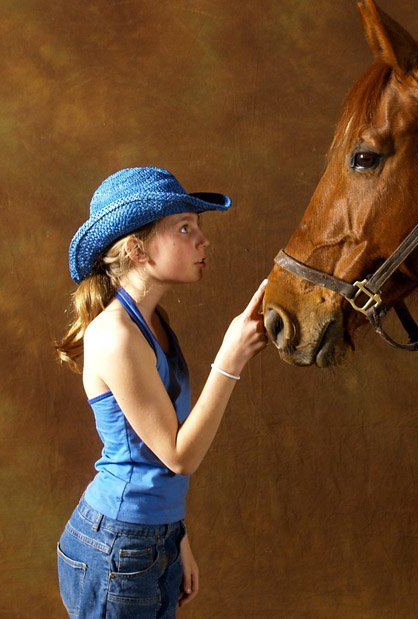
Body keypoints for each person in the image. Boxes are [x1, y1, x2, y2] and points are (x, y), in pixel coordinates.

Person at [54, 166, 268, 617]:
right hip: (117, 547)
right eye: (185, 228)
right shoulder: (115, 334)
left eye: (198, 227)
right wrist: (230, 360)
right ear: (137, 250)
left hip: (153, 537)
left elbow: (151, 455)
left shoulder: (152, 321)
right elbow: (176, 455)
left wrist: (178, 538)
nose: (203, 240)